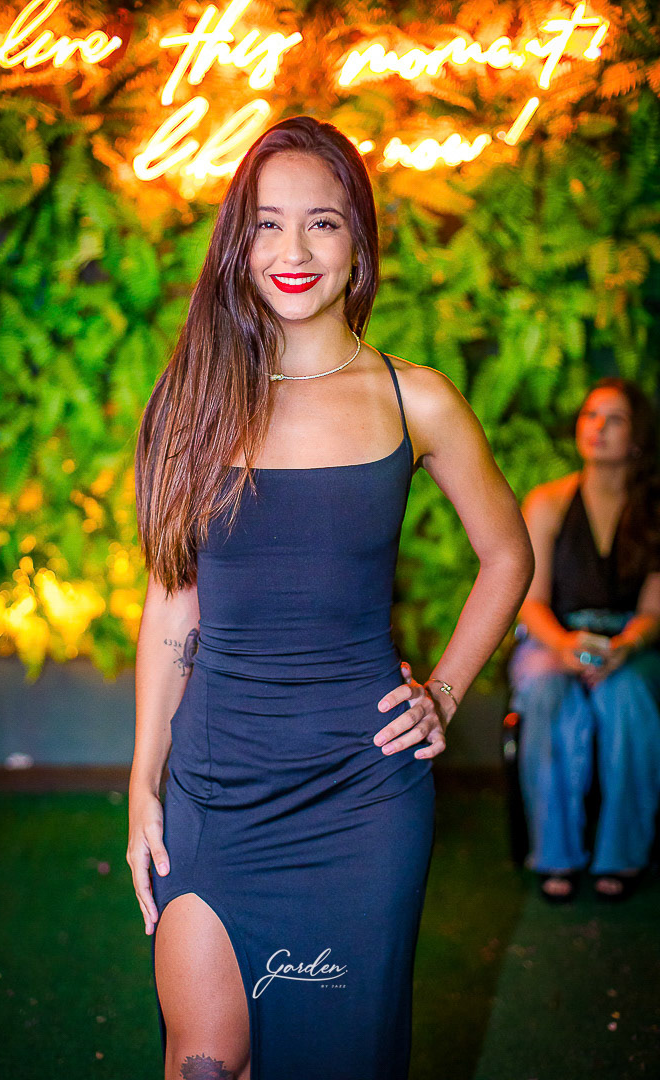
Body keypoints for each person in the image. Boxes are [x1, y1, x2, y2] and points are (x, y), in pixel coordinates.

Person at [128, 115, 534, 1080]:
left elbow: (507, 555)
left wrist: (443, 693)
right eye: (268, 224)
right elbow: (172, 604)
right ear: (240, 244)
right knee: (203, 1064)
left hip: (363, 793)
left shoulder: (414, 398)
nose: (294, 251)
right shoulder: (195, 399)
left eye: (323, 222)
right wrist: (143, 778)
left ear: (359, 242)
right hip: (216, 783)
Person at [509, 377, 660, 904]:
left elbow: (653, 612)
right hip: (553, 635)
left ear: (637, 438)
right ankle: (556, 855)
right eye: (591, 415)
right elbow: (529, 601)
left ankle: (622, 855)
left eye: (614, 419)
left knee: (629, 696)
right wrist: (563, 646)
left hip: (629, 640)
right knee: (547, 693)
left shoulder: (653, 509)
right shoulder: (547, 502)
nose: (598, 427)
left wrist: (623, 649)